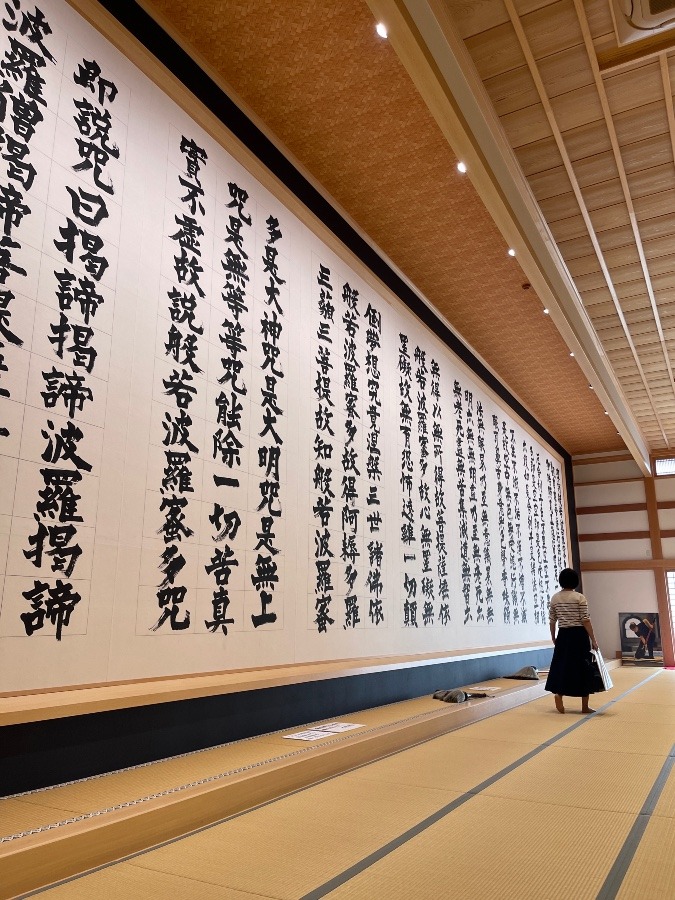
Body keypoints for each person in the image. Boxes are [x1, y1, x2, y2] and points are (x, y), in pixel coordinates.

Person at [545, 568, 599, 714]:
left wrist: (553, 637)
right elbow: (586, 620)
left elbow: (552, 620)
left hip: (563, 635)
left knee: (563, 667)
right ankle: (584, 706)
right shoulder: (579, 598)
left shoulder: (555, 598)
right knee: (583, 668)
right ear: (576, 581)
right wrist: (594, 639)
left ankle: (559, 694)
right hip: (579, 635)